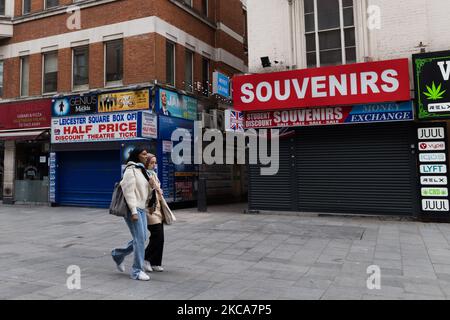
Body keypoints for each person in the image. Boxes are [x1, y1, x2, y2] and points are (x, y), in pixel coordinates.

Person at [111, 148, 153, 281]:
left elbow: (144, 191)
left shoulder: (142, 170)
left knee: (142, 237)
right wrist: (134, 212)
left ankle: (117, 254)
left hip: (141, 208)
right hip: (132, 209)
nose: (146, 157)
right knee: (140, 239)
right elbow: (129, 192)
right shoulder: (130, 170)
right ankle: (137, 271)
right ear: (136, 155)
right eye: (143, 154)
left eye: (147, 154)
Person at [144, 154, 166, 272]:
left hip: (158, 208)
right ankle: (145, 258)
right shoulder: (144, 174)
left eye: (155, 162)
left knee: (160, 238)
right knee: (157, 235)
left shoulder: (153, 174)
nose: (153, 165)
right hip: (149, 209)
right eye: (151, 162)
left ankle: (155, 262)